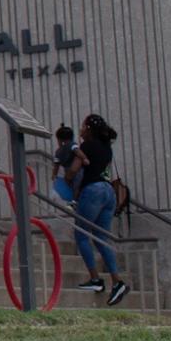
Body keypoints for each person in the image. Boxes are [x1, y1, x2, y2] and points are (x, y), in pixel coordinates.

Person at [66, 113, 128, 305]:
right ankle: (117, 281)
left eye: (83, 127)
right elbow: (106, 171)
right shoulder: (107, 149)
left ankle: (95, 279)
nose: (81, 130)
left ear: (89, 129)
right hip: (108, 191)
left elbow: (73, 171)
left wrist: (67, 180)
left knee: (82, 235)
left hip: (91, 190)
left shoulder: (86, 147)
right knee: (102, 237)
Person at [51, 125, 78, 205]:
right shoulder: (73, 145)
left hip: (70, 172)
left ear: (60, 140)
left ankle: (74, 200)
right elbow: (78, 153)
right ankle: (75, 200)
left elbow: (56, 164)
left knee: (73, 185)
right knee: (76, 185)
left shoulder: (58, 151)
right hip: (77, 172)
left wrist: (54, 174)